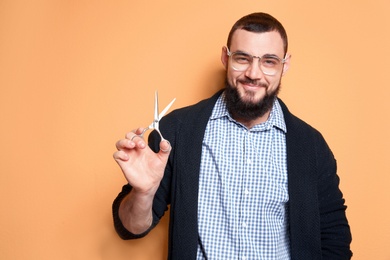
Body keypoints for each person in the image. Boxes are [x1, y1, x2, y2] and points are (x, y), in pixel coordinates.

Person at [112, 12, 352, 260]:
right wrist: (143, 193)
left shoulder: (311, 146)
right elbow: (131, 228)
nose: (254, 73)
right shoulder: (175, 132)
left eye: (269, 61)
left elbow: (334, 239)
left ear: (285, 64)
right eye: (242, 58)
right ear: (226, 57)